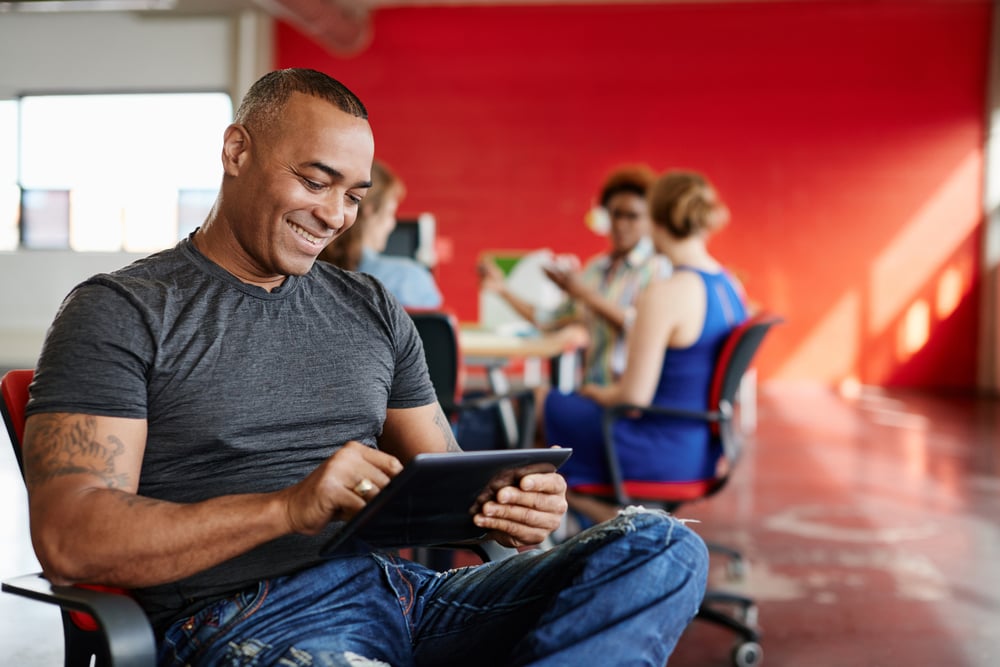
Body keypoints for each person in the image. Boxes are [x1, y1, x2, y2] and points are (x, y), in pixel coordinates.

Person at [21, 68, 707, 666]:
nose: (334, 215)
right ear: (236, 150)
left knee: (662, 548)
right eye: (315, 181)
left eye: (353, 194)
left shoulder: (370, 305)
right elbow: (70, 538)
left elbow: (445, 472)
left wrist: (508, 509)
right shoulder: (121, 311)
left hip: (402, 594)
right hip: (243, 617)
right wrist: (288, 507)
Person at [545, 169, 749, 525]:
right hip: (704, 450)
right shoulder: (731, 287)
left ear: (655, 219)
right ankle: (611, 524)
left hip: (654, 449)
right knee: (558, 413)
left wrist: (593, 390)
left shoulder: (665, 293)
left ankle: (625, 525)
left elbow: (631, 399)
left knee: (538, 404)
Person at [478, 165, 672, 387]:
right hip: (592, 390)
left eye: (632, 216)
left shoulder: (659, 269)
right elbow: (548, 320)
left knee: (540, 402)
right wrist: (503, 290)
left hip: (631, 396)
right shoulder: (596, 269)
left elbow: (641, 327)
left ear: (650, 221)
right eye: (616, 214)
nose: (621, 224)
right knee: (538, 397)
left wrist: (585, 295)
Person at [319, 159, 443, 309]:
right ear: (369, 210)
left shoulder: (304, 275)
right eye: (390, 213)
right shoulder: (408, 279)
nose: (392, 224)